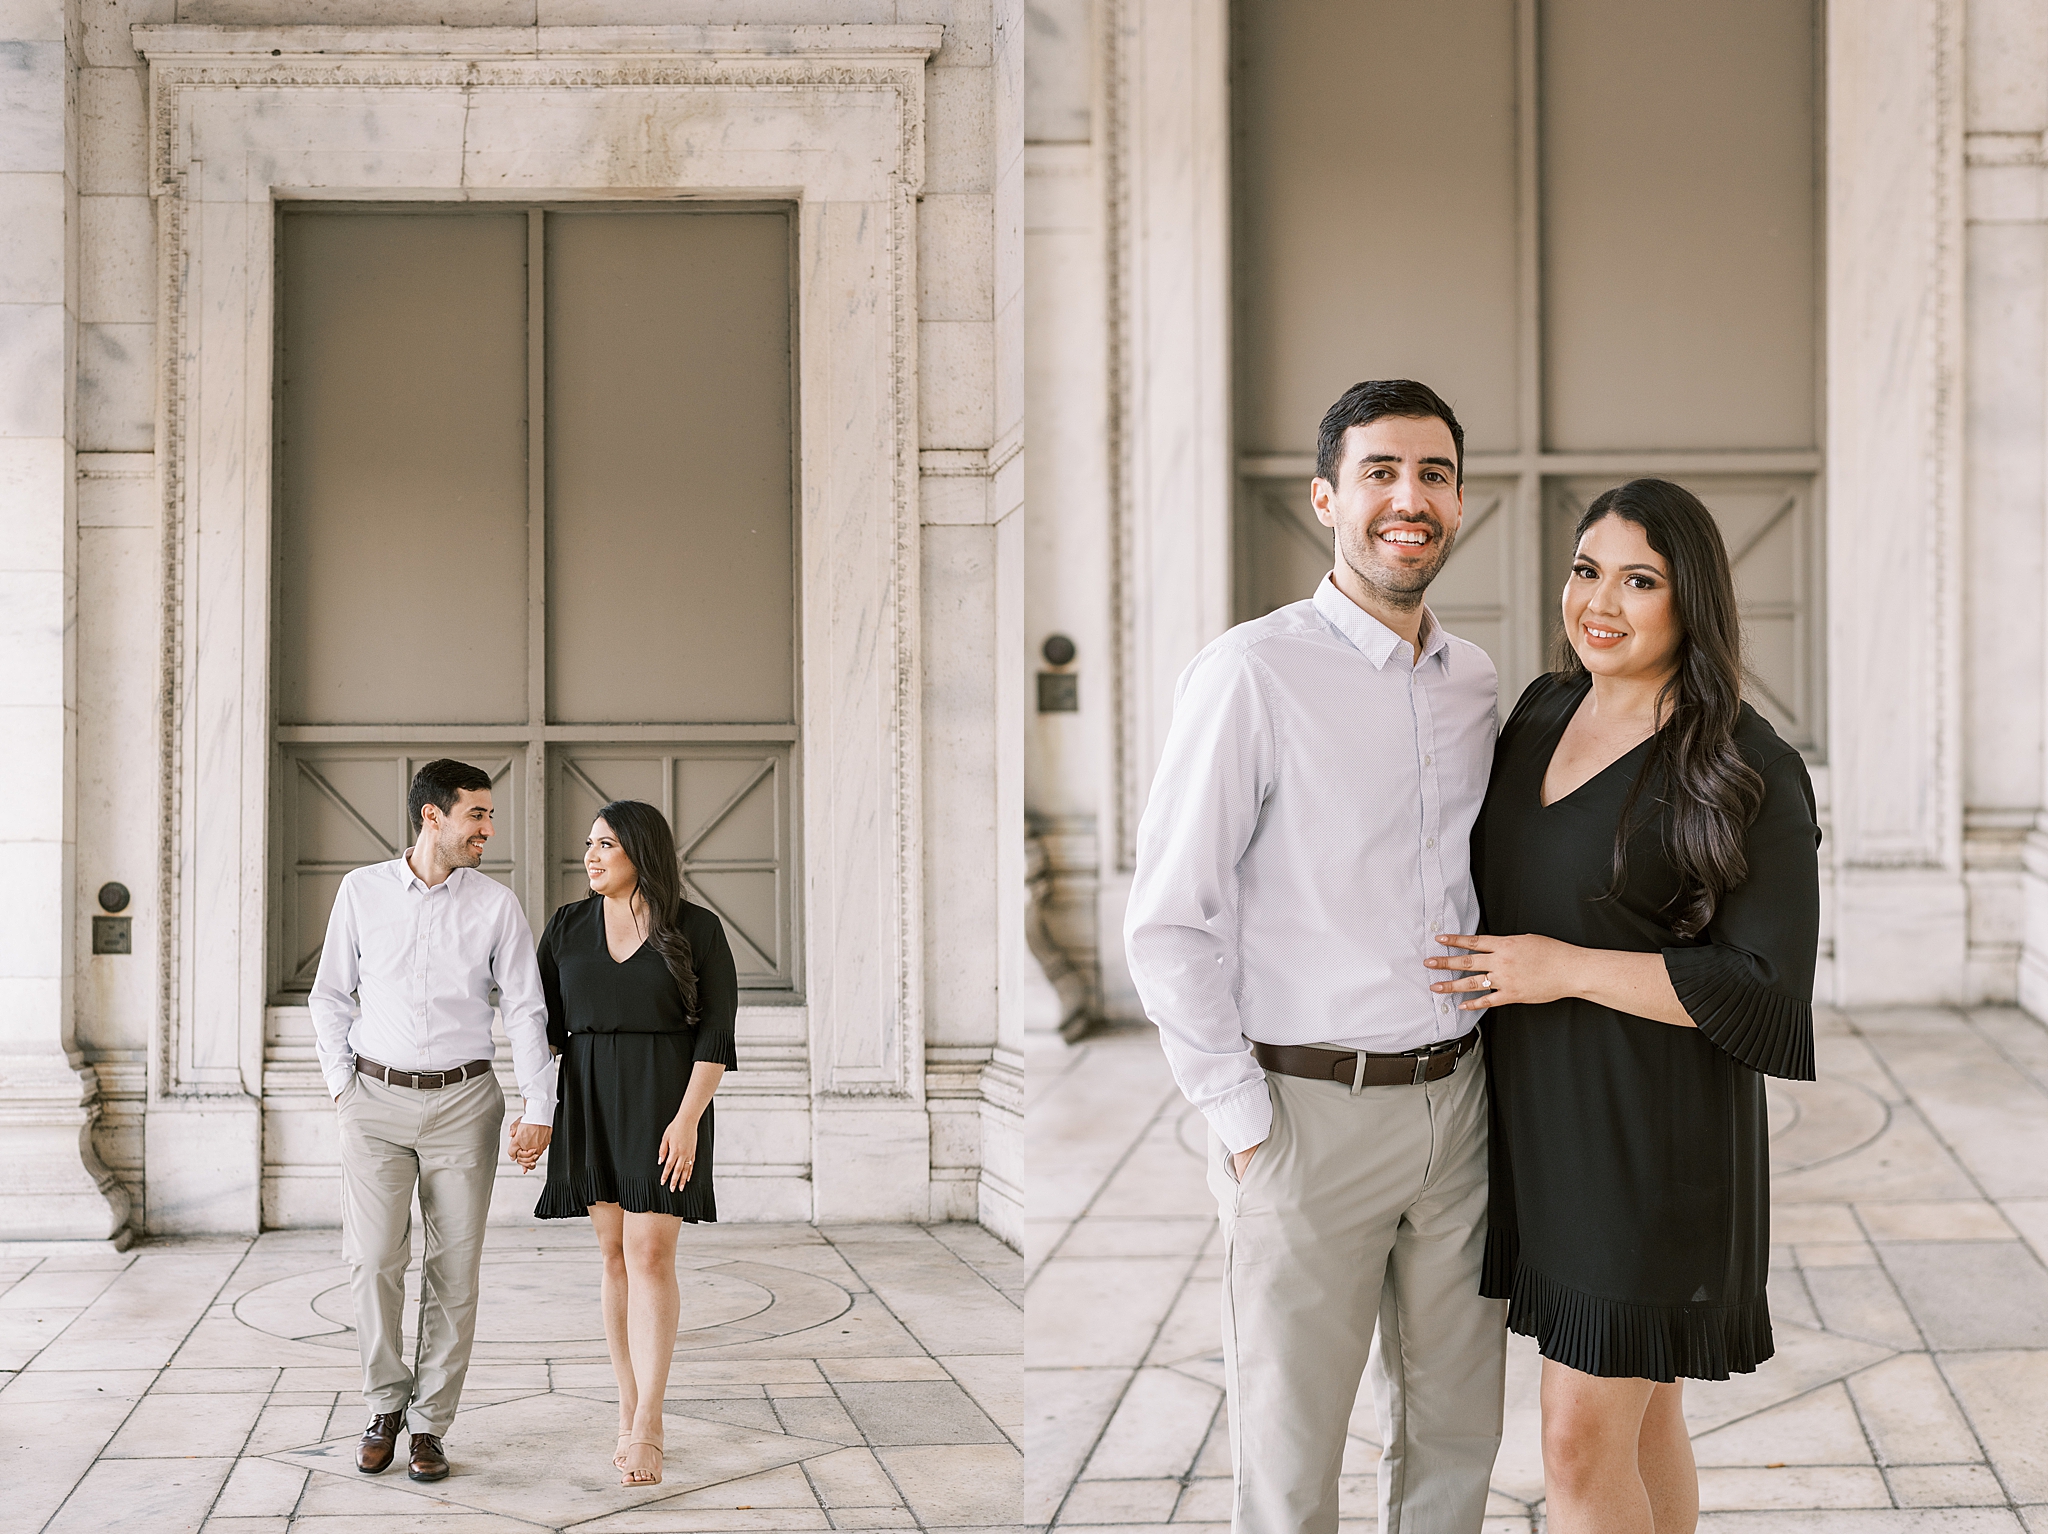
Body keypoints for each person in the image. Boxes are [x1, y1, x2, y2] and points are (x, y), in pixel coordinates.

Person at [1127, 379, 1506, 1534]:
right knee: (1290, 1467)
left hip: (1462, 1107)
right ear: (1324, 499)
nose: (1409, 497)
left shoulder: (1474, 682)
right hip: (1304, 1114)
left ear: (1455, 501)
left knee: (1453, 1439)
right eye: (1380, 472)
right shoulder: (1251, 672)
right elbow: (1167, 918)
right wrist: (1242, 1121)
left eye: (1432, 474)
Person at [1430, 479, 1820, 1534]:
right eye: (1584, 569)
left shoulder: (1747, 765)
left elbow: (1765, 986)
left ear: (1689, 600)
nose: (1598, 601)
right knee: (1640, 1423)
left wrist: (1561, 966)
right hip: (1543, 1128)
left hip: (1654, 1145)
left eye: (1637, 580)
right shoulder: (1540, 711)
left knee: (1573, 1436)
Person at [309, 758, 557, 1483]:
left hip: (465, 1104)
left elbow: (525, 1011)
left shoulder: (496, 905)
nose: (487, 827)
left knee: (456, 1271)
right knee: (374, 1259)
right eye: (476, 814)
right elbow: (330, 997)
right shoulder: (361, 893)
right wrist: (341, 1089)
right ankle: (385, 1403)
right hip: (374, 1102)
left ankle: (429, 1426)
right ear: (432, 817)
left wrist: (539, 1106)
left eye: (487, 815)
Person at [530, 798, 737, 1487]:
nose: (590, 856)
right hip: (588, 1097)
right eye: (588, 844)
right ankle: (627, 1403)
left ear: (641, 853)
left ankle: (650, 1419)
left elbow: (715, 1034)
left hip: (665, 1101)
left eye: (606, 845)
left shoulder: (697, 929)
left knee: (652, 1252)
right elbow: (544, 1028)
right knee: (614, 1253)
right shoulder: (566, 927)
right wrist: (539, 1111)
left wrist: (687, 1120)